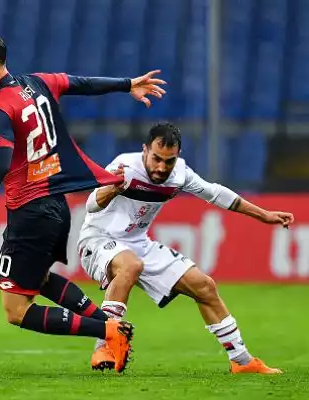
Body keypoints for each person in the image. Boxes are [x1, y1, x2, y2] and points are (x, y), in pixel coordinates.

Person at [0, 29, 167, 372]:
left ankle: (110, 329)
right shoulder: (39, 82)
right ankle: (107, 326)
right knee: (39, 279)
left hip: (30, 211)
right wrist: (126, 84)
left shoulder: (0, 109)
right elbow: (82, 83)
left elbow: (0, 163)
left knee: (16, 310)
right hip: (55, 207)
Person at [78, 122, 293, 373]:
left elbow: (216, 194)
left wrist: (264, 215)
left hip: (138, 243)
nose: (161, 167)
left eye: (168, 161)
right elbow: (91, 205)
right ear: (145, 150)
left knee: (204, 286)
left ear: (176, 156)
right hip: (97, 239)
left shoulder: (179, 174)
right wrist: (114, 188)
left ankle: (242, 361)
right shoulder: (124, 166)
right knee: (131, 265)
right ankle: (104, 344)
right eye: (156, 158)